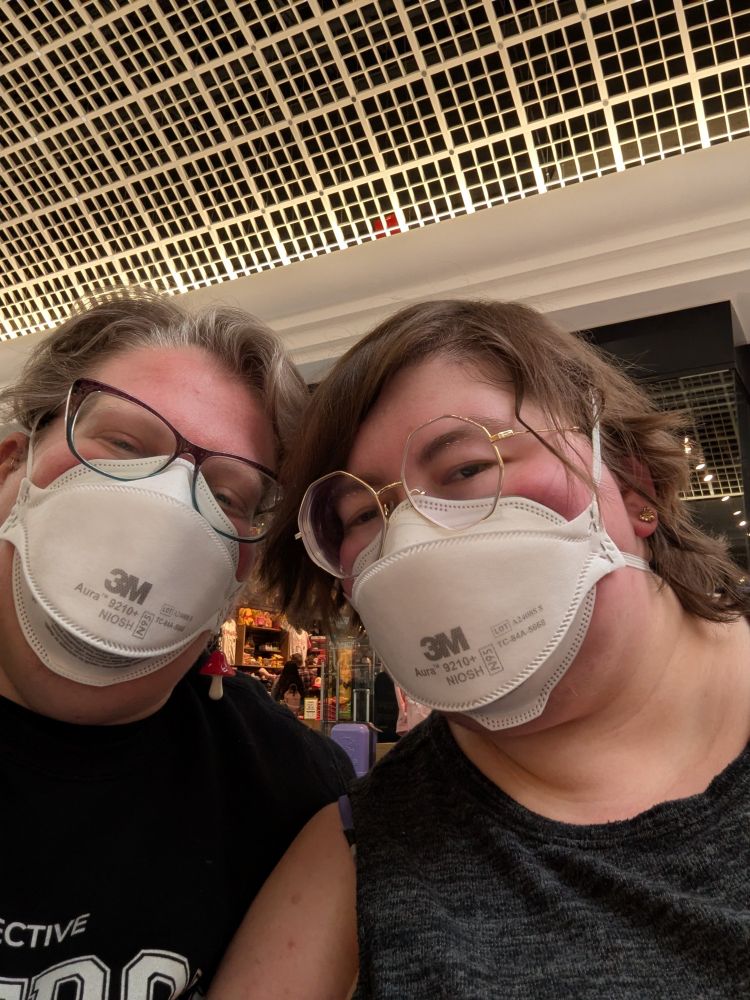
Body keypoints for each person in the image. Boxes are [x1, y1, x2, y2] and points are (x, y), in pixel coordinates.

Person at [210, 298, 750, 999]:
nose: (412, 538)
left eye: (466, 469)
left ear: (633, 485)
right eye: (365, 514)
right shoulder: (358, 850)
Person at [0, 290, 354, 998]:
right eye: (125, 445)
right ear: (10, 467)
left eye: (228, 496)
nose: (169, 507)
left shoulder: (286, 788)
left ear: (242, 571)